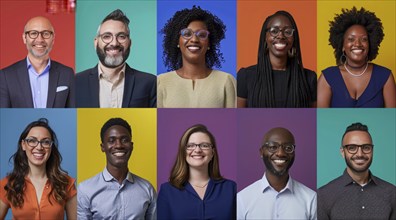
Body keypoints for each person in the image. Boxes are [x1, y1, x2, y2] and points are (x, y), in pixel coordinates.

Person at [77, 118, 156, 219]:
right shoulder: (85, 190)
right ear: (103, 147)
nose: (118, 145)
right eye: (111, 140)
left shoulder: (147, 189)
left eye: (124, 140)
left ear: (131, 146)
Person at [157, 6, 236, 108]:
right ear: (177, 41)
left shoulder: (226, 81)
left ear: (209, 43)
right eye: (187, 33)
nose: (194, 39)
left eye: (202, 35)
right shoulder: (161, 82)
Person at [76, 9, 156, 108]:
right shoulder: (76, 82)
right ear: (96, 43)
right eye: (106, 36)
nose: (114, 43)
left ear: (130, 43)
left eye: (121, 36)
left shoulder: (150, 82)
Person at [318, 7, 396, 108]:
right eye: (351, 39)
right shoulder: (327, 77)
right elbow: (321, 121)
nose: (357, 44)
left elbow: (391, 121)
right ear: (342, 45)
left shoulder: (385, 77)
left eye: (364, 39)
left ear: (370, 44)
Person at [0, 118, 77, 219]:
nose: (39, 147)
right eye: (32, 141)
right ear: (23, 145)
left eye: (45, 142)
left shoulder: (66, 183)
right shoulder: (8, 184)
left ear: (51, 146)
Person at [237, 11, 316, 108]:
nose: (281, 36)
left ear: (293, 38)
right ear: (265, 37)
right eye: (274, 31)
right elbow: (239, 120)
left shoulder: (309, 78)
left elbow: (314, 121)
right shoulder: (246, 76)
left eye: (287, 32)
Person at [318, 122, 396, 219]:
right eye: (352, 148)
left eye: (366, 147)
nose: (359, 154)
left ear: (372, 150)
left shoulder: (392, 192)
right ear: (343, 152)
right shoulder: (323, 195)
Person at [157, 124, 236, 219]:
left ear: (212, 153)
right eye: (191, 145)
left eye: (204, 145)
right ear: (183, 151)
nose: (197, 150)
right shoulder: (167, 191)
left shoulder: (231, 189)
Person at [237, 127, 316, 219]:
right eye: (273, 147)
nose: (281, 153)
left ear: (294, 153)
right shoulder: (242, 199)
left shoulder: (311, 199)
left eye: (288, 148)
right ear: (261, 152)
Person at [0, 16, 75, 108]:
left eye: (46, 33)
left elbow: (73, 115)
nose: (40, 39)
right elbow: (3, 118)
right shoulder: (6, 76)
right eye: (33, 33)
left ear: (53, 38)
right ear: (24, 38)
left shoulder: (67, 74)